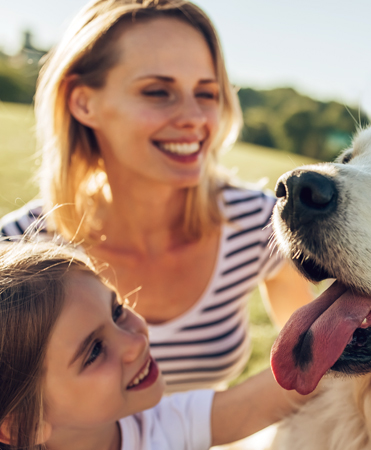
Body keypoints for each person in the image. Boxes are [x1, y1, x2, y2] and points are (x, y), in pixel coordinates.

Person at [0, 0, 313, 393]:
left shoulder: (260, 222)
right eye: (157, 92)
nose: (194, 118)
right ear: (83, 102)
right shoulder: (14, 252)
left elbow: (312, 368)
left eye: (207, 93)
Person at [0, 240, 314, 450]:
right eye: (94, 351)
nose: (136, 341)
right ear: (19, 425)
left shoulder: (158, 427)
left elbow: (257, 403)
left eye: (117, 311)